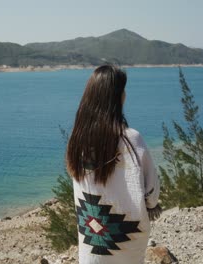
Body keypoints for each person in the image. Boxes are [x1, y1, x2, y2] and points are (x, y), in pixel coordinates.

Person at [66, 65, 161, 264]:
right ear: (116, 96)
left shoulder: (77, 139)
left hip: (91, 234)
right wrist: (152, 205)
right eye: (123, 89)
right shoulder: (130, 139)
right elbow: (151, 189)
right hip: (126, 234)